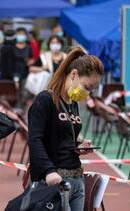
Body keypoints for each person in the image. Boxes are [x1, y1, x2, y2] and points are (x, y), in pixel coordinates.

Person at [28, 47, 104, 211]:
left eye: (92, 89)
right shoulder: (45, 100)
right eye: (87, 86)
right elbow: (35, 140)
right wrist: (49, 171)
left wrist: (79, 146)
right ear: (74, 74)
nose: (88, 93)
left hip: (77, 178)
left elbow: (64, 138)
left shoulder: (73, 103)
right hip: (54, 180)